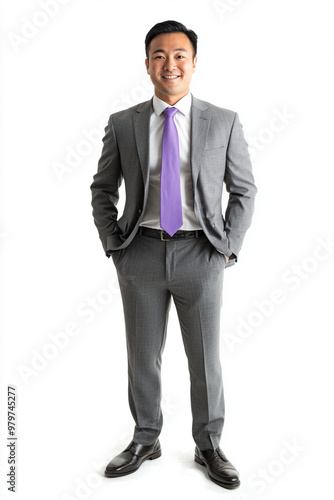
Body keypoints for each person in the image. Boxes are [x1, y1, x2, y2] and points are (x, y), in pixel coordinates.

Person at [90, 20, 257, 489]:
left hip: (201, 255)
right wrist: (113, 245)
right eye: (160, 55)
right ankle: (146, 436)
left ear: (195, 62)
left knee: (205, 357)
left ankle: (209, 444)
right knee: (142, 355)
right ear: (147, 64)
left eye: (180, 55)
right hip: (139, 254)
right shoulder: (123, 123)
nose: (170, 64)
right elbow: (102, 189)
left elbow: (243, 190)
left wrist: (228, 248)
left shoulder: (222, 121)